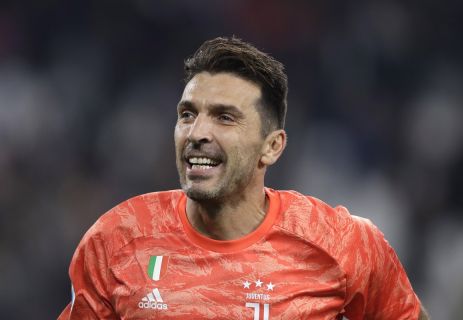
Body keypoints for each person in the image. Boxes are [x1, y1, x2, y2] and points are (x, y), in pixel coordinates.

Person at [59, 36, 429, 319]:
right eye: (188, 114)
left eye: (225, 117)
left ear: (271, 147)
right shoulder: (116, 239)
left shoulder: (344, 244)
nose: (197, 132)